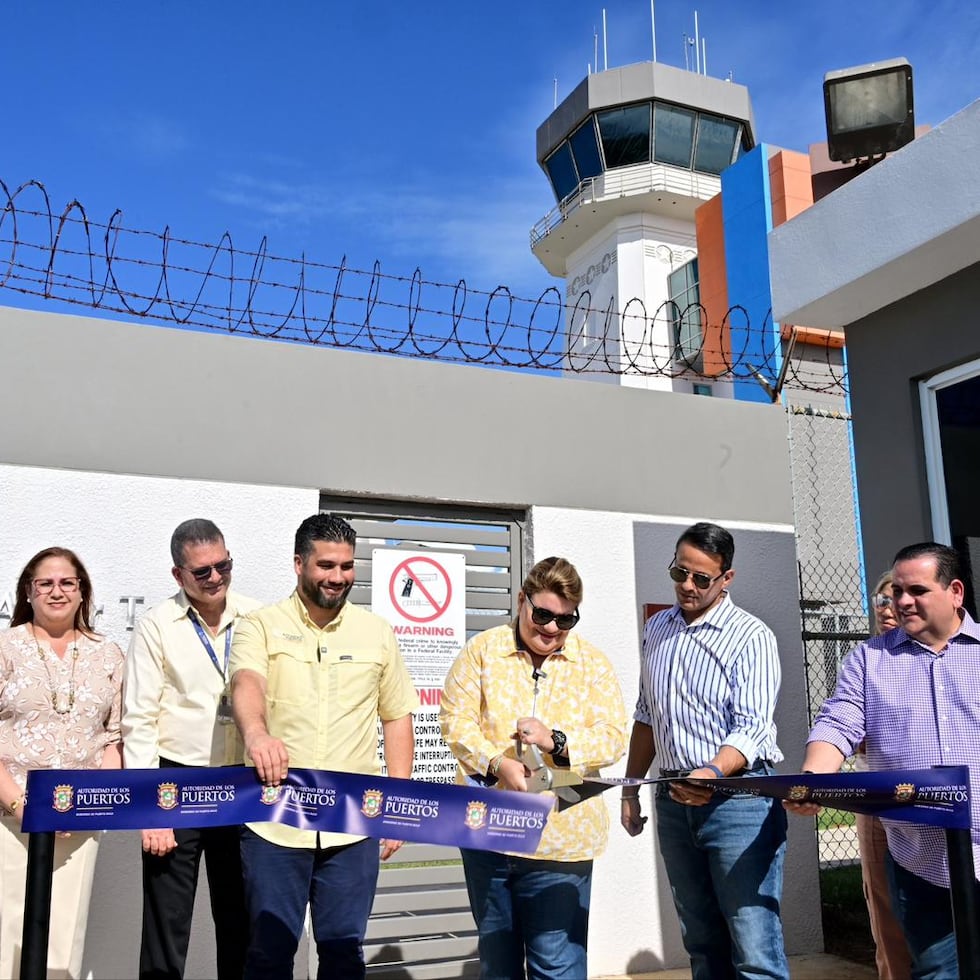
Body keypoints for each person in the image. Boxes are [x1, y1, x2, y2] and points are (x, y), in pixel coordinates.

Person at [229, 513, 418, 980]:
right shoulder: (259, 625)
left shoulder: (376, 633)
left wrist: (398, 804)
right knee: (269, 956)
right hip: (275, 822)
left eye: (347, 566)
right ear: (299, 564)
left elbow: (396, 718)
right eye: (326, 565)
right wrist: (255, 734)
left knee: (343, 954)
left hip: (352, 827)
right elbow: (246, 682)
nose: (338, 577)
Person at [790, 542, 980, 979]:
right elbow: (836, 724)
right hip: (919, 860)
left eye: (916, 589)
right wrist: (813, 780)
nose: (902, 601)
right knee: (936, 973)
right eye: (897, 591)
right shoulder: (869, 661)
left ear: (955, 592)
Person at [440, 556, 627, 980]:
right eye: (542, 614)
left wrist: (555, 740)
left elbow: (614, 739)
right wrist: (496, 763)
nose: (551, 628)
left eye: (565, 620)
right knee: (498, 965)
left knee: (556, 966)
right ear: (522, 600)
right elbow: (455, 719)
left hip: (562, 840)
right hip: (488, 833)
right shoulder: (482, 651)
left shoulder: (593, 665)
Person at [621, 522, 790, 980]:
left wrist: (712, 770)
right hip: (674, 803)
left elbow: (753, 729)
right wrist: (630, 789)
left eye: (701, 578)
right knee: (701, 942)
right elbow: (646, 715)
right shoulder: (657, 629)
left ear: (726, 579)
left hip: (739, 803)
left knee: (753, 947)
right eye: (679, 572)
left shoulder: (751, 636)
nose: (686, 586)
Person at [122, 518, 261, 980]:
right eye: (202, 572)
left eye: (224, 565)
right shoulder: (156, 625)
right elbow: (139, 718)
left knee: (241, 920)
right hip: (174, 785)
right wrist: (149, 810)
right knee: (167, 921)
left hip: (242, 785)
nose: (216, 577)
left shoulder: (256, 618)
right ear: (178, 575)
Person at [0, 547, 125, 979]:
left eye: (67, 582)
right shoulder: (5, 647)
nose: (57, 591)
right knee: (6, 936)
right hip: (10, 821)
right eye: (45, 583)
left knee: (63, 941)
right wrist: (23, 806)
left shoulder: (108, 654)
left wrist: (93, 802)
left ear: (82, 591)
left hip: (79, 825)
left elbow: (115, 738)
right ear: (28, 592)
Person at [853, 571, 911, 980]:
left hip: (929, 796)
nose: (887, 609)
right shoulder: (863, 657)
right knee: (882, 901)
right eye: (880, 600)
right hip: (873, 795)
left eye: (896, 599)